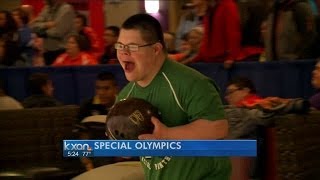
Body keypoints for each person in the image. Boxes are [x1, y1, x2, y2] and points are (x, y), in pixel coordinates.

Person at [115, 13, 230, 180]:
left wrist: (168, 134)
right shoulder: (126, 97)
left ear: (155, 49)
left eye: (132, 47)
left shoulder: (190, 83)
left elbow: (219, 127)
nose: (123, 53)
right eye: (119, 46)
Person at [30, 0, 75, 65]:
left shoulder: (66, 9)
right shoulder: (46, 9)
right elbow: (33, 26)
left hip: (62, 51)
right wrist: (47, 24)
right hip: (48, 51)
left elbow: (58, 32)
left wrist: (43, 32)